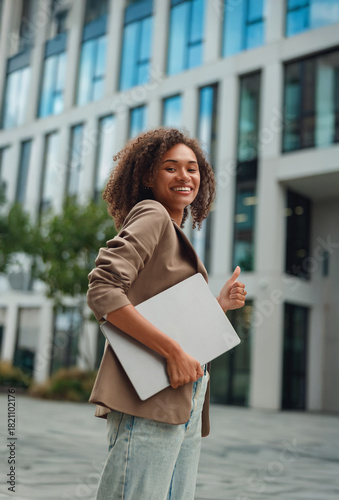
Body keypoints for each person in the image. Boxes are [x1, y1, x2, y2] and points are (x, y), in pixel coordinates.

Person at [87, 127, 247, 500]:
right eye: (170, 168)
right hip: (151, 398)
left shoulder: (174, 231)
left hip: (184, 397)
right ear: (147, 176)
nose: (185, 176)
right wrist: (172, 352)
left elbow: (168, 314)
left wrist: (218, 305)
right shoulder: (152, 214)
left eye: (192, 168)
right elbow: (103, 288)